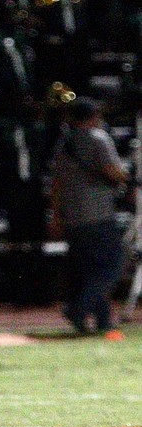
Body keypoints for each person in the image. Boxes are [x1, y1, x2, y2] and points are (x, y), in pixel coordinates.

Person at [49, 96, 130, 337]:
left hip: (72, 215)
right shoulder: (98, 138)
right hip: (98, 213)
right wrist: (127, 177)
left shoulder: (63, 144)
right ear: (93, 117)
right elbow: (112, 171)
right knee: (112, 265)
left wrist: (56, 216)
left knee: (90, 269)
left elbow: (56, 184)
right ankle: (78, 308)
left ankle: (103, 320)